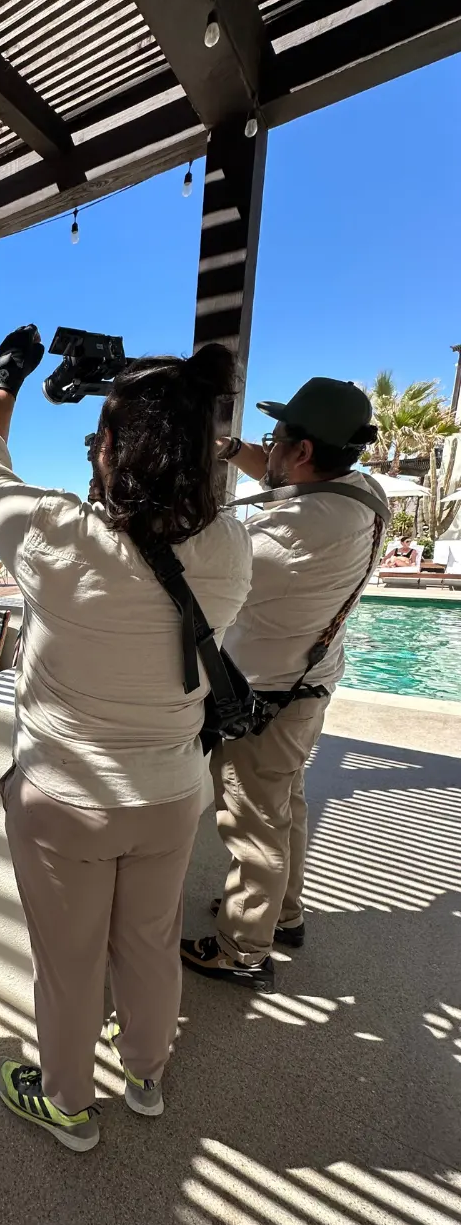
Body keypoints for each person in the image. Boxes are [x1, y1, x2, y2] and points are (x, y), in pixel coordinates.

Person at [0, 326, 252, 1151]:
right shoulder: (231, 548)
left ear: (109, 447)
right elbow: (184, 487)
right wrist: (161, 398)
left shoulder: (57, 537)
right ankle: (147, 1076)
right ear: (204, 447)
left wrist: (6, 378)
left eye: (98, 438)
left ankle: (67, 1104)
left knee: (71, 962)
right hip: (169, 797)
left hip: (66, 802)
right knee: (150, 945)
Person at [182, 378, 381, 991]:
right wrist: (228, 448)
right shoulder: (362, 490)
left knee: (251, 825)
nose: (264, 449)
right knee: (284, 808)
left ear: (300, 453)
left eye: (276, 440)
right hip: (309, 685)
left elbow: (197, 572)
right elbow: (280, 477)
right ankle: (283, 914)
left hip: (264, 698)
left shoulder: (285, 535)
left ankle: (244, 948)